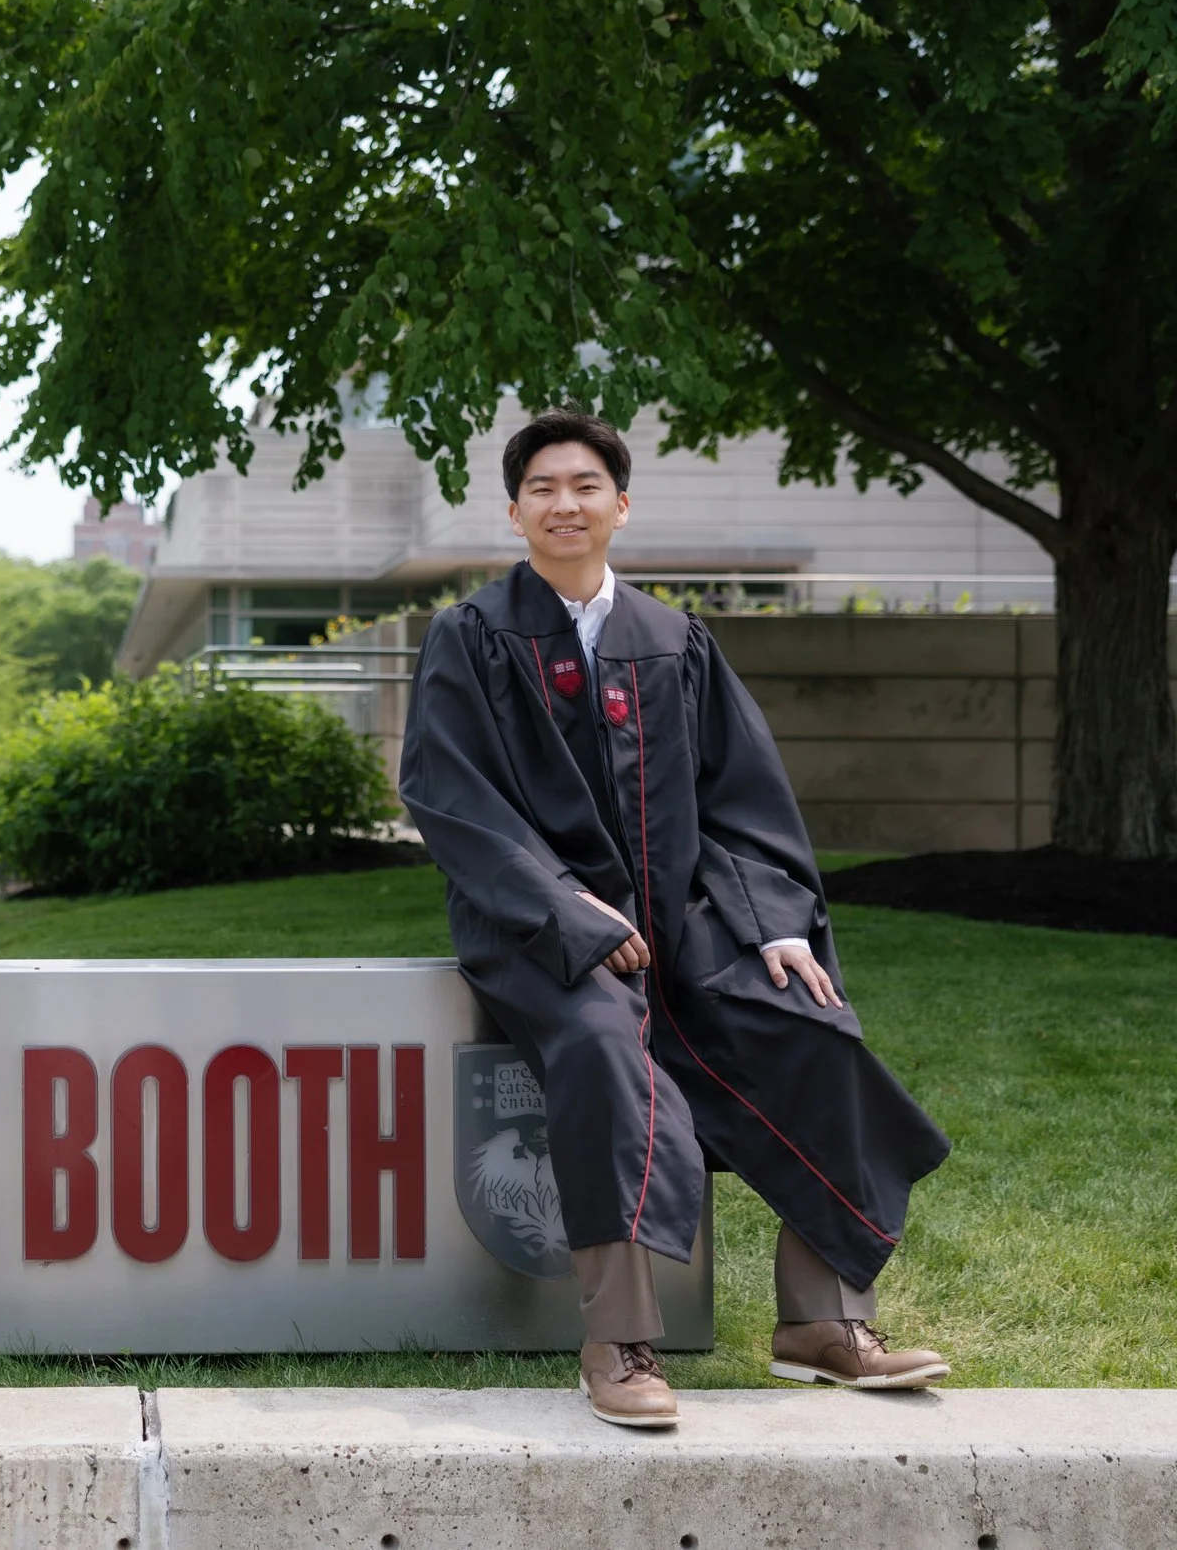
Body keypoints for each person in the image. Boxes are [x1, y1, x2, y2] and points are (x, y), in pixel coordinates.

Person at [398, 410, 952, 1429]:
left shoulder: (675, 641)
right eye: (543, 488)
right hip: (536, 931)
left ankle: (822, 1322)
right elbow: (451, 798)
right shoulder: (469, 637)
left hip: (682, 923)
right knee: (606, 1047)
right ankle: (617, 1338)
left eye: (585, 485)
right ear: (514, 510)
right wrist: (565, 909)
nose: (565, 503)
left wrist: (775, 922)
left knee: (810, 1030)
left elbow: (743, 799)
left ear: (619, 503)